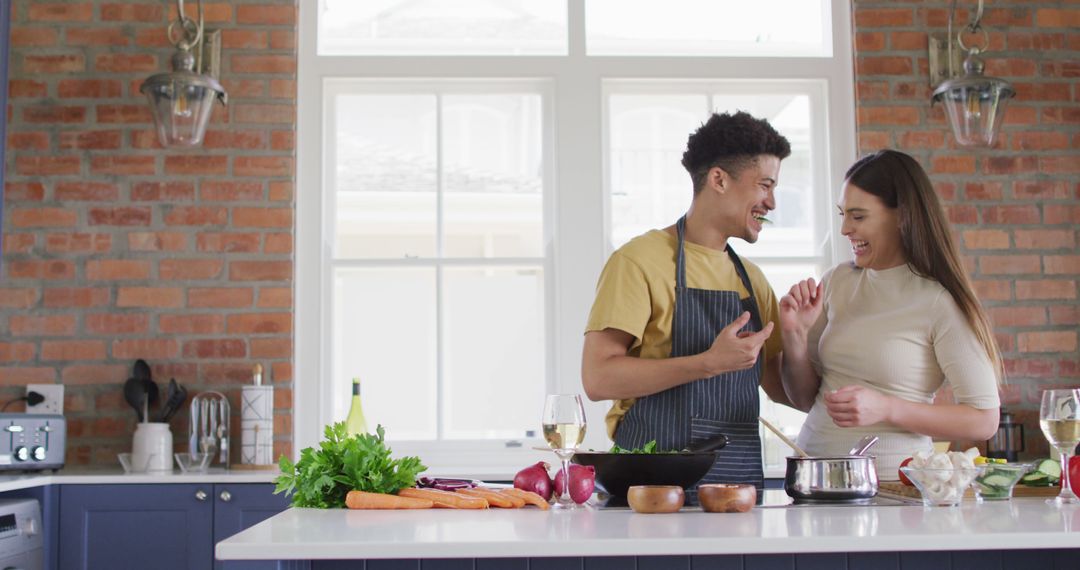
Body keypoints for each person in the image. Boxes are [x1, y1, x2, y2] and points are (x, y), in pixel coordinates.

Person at [582, 111, 793, 490]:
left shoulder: (753, 282)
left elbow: (785, 390)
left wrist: (803, 333)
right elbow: (598, 378)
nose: (772, 202)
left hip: (737, 494)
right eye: (765, 185)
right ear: (718, 179)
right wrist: (708, 363)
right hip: (651, 492)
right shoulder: (639, 261)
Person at [779, 149, 1001, 477]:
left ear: (901, 216)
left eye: (858, 216)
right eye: (842, 214)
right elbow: (802, 398)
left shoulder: (938, 300)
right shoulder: (838, 282)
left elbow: (984, 420)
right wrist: (794, 337)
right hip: (814, 480)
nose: (844, 229)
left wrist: (886, 407)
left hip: (891, 488)